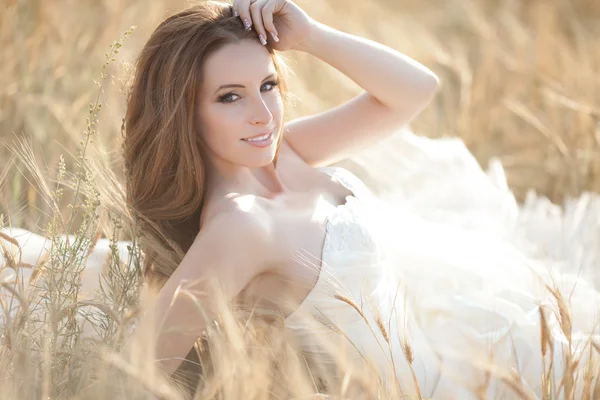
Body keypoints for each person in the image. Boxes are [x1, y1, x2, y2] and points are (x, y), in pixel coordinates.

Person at [119, 0, 600, 398]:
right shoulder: (239, 226)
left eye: (267, 85)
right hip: (424, 386)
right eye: (230, 97)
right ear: (183, 112)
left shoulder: (282, 154)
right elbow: (134, 368)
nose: (263, 113)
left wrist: (311, 37)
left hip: (444, 334)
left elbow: (414, 92)